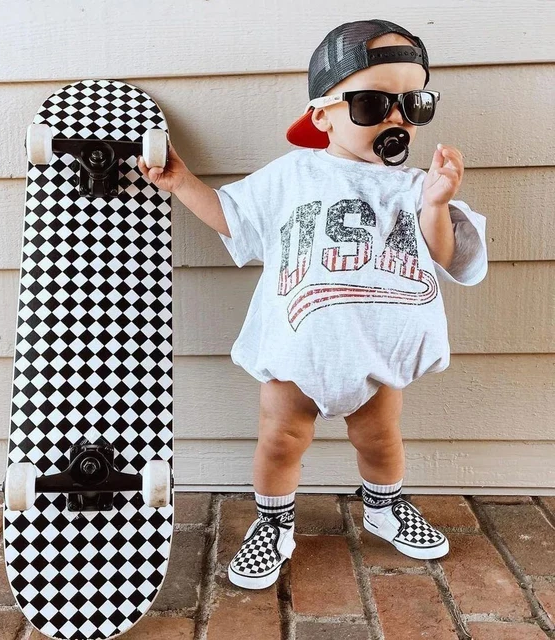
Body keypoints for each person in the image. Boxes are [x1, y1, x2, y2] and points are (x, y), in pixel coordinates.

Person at [136, 19, 488, 590]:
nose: (396, 119)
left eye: (413, 105)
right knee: (280, 440)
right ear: (321, 115)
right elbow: (235, 219)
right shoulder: (293, 175)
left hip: (378, 354)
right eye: (372, 104)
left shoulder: (416, 187)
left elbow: (446, 255)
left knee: (381, 439)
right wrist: (181, 183)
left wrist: (437, 204)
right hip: (298, 351)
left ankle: (384, 507)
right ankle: (273, 523)